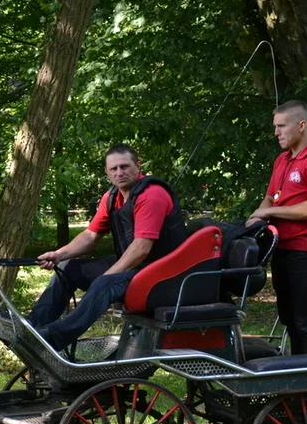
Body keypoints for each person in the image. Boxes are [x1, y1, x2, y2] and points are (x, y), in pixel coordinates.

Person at [28, 144, 187, 352]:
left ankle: (54, 337)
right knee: (68, 268)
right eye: (114, 169)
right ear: (107, 172)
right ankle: (32, 328)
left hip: (164, 273)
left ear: (138, 165)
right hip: (139, 267)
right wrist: (58, 255)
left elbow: (140, 248)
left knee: (106, 283)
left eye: (125, 166)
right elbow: (90, 236)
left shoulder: (151, 195)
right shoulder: (111, 198)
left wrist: (107, 276)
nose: (120, 173)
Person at [246, 100, 307, 355]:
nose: (276, 132)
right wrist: (256, 217)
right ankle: (296, 377)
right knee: (289, 318)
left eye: (282, 126)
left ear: (302, 125)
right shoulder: (282, 160)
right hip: (281, 248)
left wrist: (270, 212)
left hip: (305, 251)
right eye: (276, 126)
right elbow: (270, 197)